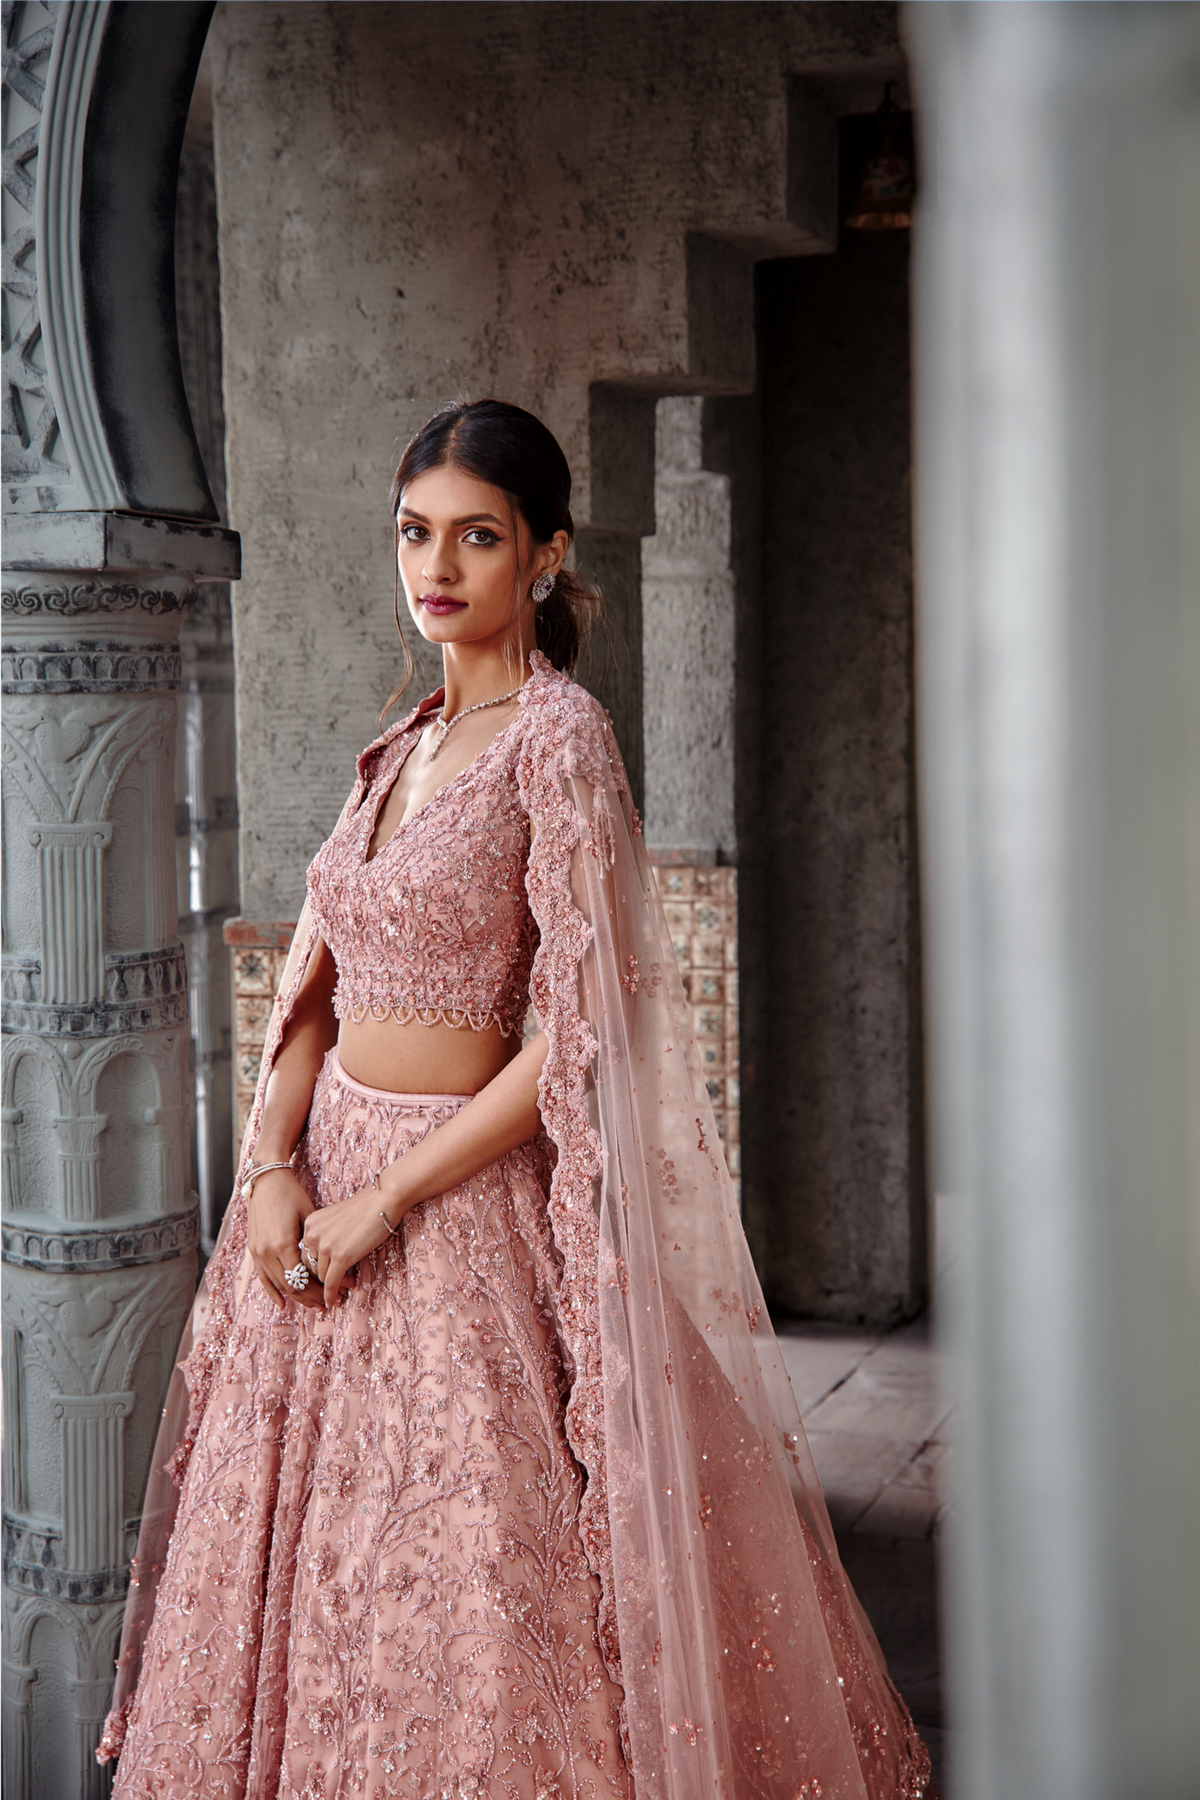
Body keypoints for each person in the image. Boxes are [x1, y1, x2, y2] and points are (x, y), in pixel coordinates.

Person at [99, 400, 933, 1799]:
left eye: (477, 537)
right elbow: (311, 990)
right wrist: (275, 1175)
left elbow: (579, 1037)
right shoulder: (399, 747)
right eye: (416, 534)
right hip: (319, 1213)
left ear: (542, 556)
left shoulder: (558, 740)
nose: (438, 566)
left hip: (458, 1212)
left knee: (478, 1579)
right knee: (306, 1572)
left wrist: (386, 1197)